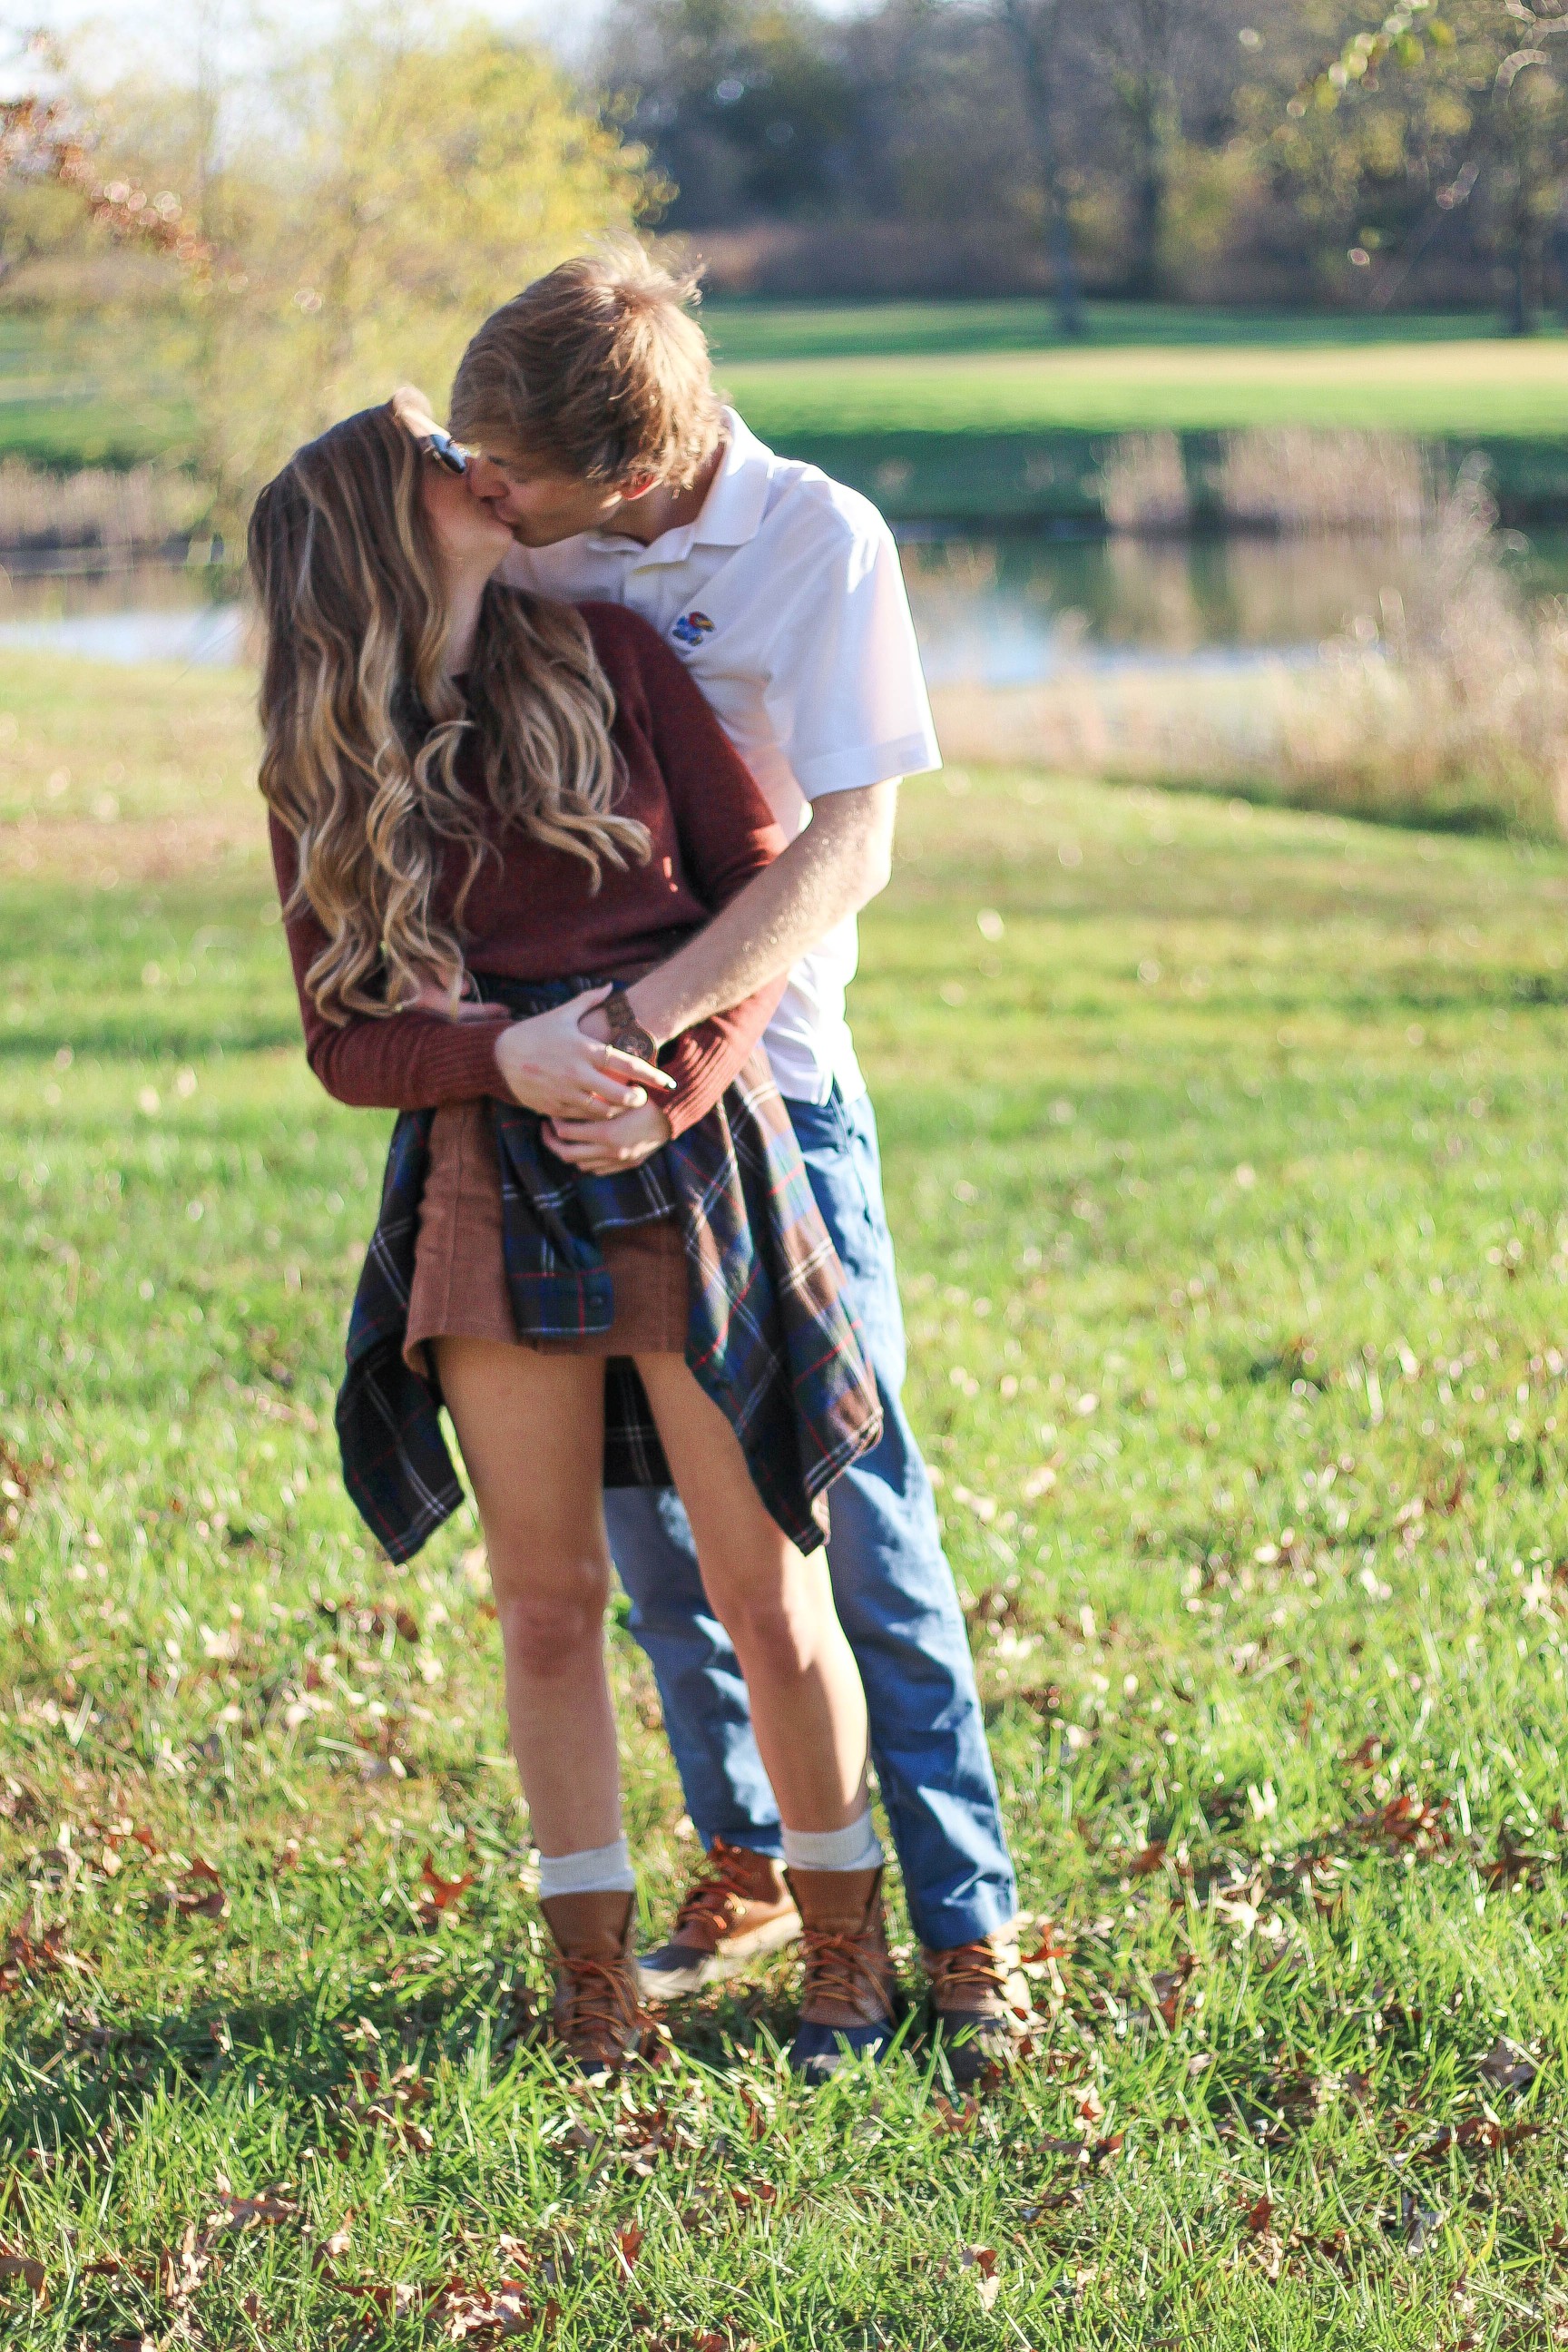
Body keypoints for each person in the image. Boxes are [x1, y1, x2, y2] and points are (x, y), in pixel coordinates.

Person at [248, 393, 896, 2081]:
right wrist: (495, 1056)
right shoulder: (320, 757)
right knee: (545, 1602)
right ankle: (592, 1981)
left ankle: (844, 1951)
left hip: (686, 1144)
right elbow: (343, 1042)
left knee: (767, 1584)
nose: (475, 455)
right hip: (485, 1163)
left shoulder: (611, 652)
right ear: (381, 519)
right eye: (433, 446)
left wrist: (667, 1092)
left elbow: (762, 905)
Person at [446, 246, 1026, 2082]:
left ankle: (965, 1928)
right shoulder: (521, 527)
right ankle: (759, 1867)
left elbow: (849, 843)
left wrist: (654, 1016)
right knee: (653, 1536)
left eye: (507, 475)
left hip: (775, 1100)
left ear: (629, 476)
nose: (483, 495)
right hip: (570, 1126)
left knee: (853, 1519)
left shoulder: (819, 542)